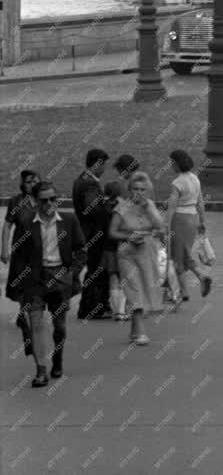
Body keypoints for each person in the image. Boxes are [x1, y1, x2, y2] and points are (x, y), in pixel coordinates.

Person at [10, 180, 86, 387]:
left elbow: (80, 249)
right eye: (44, 200)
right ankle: (41, 370)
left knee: (59, 326)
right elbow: (18, 255)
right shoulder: (26, 222)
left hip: (60, 276)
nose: (49, 204)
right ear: (35, 201)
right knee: (35, 322)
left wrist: (72, 273)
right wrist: (20, 283)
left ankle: (57, 358)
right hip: (35, 278)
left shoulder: (69, 220)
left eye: (53, 199)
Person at [108, 171, 165, 345]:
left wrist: (148, 209)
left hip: (147, 252)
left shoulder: (150, 206)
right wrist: (128, 237)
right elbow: (112, 232)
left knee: (145, 288)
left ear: (147, 191)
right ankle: (140, 332)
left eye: (142, 189)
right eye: (135, 189)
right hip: (127, 254)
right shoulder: (121, 207)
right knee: (134, 290)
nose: (138, 192)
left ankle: (134, 330)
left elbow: (161, 228)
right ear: (129, 189)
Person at [1, 169, 40, 355]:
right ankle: (24, 313)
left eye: (35, 181)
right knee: (22, 285)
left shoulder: (44, 199)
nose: (31, 184)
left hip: (39, 253)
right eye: (28, 182)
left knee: (35, 285)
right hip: (21, 252)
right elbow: (8, 224)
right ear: (22, 184)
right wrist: (4, 248)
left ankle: (28, 313)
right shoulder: (16, 202)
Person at [166, 150, 212, 301]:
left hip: (179, 220)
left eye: (172, 163)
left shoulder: (177, 182)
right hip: (192, 218)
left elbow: (172, 206)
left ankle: (184, 291)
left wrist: (166, 224)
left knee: (177, 255)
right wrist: (203, 222)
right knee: (185, 253)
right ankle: (199, 277)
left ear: (176, 164)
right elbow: (200, 203)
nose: (171, 166)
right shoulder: (195, 179)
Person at [72, 147, 111, 320]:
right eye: (104, 165)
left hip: (86, 232)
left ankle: (91, 307)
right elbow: (93, 209)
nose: (104, 169)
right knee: (96, 270)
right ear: (97, 164)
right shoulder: (90, 183)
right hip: (94, 233)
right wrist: (108, 207)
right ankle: (91, 308)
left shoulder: (82, 179)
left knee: (93, 269)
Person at [102, 181, 129, 321]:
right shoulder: (123, 207)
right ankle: (122, 310)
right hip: (122, 245)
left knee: (113, 277)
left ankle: (115, 311)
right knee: (124, 277)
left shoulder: (103, 206)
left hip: (108, 246)